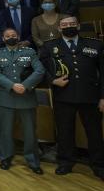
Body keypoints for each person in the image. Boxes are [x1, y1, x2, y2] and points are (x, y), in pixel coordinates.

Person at [39, 16, 104, 180]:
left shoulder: (95, 44)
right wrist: (53, 81)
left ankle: (98, 164)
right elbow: (40, 68)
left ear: (79, 26)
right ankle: (65, 162)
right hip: (63, 96)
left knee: (94, 132)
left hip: (90, 97)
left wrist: (103, 97)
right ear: (59, 28)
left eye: (72, 24)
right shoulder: (49, 46)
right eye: (65, 25)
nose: (69, 27)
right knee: (65, 132)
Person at [0, 28, 45, 174]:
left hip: (26, 98)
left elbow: (39, 70)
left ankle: (33, 160)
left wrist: (25, 85)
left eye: (13, 35)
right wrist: (12, 85)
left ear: (19, 37)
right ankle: (6, 157)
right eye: (7, 36)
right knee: (6, 131)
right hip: (6, 98)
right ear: (3, 38)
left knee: (29, 133)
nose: (11, 37)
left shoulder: (29, 52)